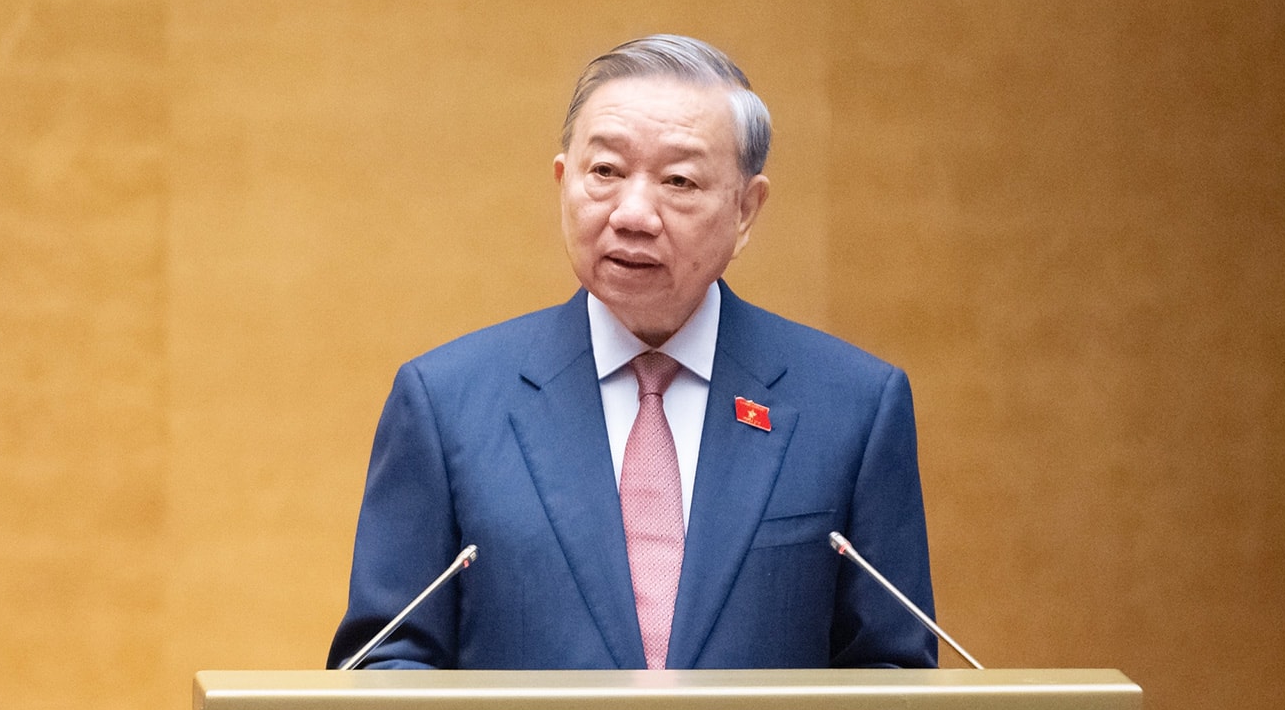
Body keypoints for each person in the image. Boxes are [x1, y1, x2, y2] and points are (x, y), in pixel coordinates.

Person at [327, 35, 936, 670]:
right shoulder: (444, 404)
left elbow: (893, 681)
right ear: (563, 182)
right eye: (606, 173)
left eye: (679, 180)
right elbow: (385, 665)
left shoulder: (853, 407)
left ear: (746, 210)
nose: (634, 214)